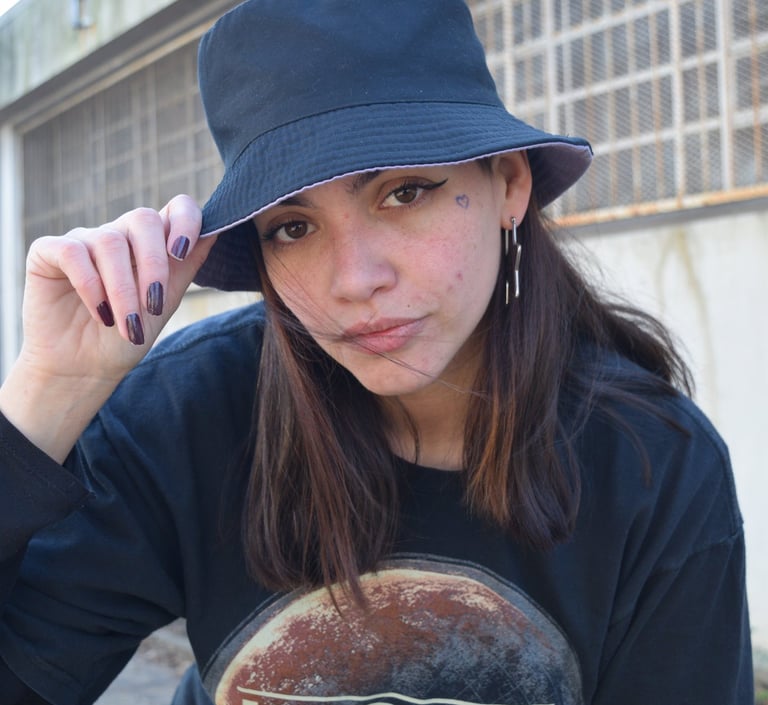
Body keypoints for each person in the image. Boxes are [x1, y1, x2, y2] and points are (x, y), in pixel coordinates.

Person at [0, 0, 753, 703]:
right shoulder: (187, 415)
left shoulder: (652, 464)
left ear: (510, 184)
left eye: (404, 192)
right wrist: (48, 391)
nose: (354, 280)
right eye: (293, 227)